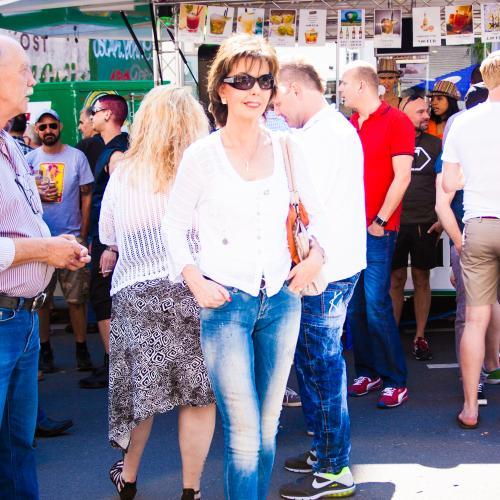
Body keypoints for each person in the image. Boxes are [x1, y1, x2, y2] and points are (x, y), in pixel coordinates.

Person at [163, 34, 326, 500]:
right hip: (226, 304)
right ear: (222, 89)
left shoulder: (289, 148)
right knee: (244, 431)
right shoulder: (202, 156)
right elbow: (173, 225)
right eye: (242, 81)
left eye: (264, 81)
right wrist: (194, 279)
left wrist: (316, 258)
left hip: (282, 301)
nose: (254, 90)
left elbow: (318, 219)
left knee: (268, 428)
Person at [99, 86, 216, 500]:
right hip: (195, 288)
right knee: (198, 397)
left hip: (136, 295)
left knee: (140, 396)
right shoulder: (206, 169)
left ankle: (128, 477)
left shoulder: (123, 173)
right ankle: (191, 490)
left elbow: (108, 234)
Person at [0, 34, 90, 499]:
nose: (32, 80)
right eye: (23, 70)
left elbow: (20, 223)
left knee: (19, 446)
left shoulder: (11, 146)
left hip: (22, 320)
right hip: (4, 319)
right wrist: (43, 249)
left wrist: (58, 245)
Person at [273, 61, 365, 499]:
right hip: (333, 265)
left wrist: (314, 258)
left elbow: (316, 209)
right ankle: (325, 452)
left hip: (323, 269)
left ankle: (333, 468)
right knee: (318, 365)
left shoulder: (321, 136)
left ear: (294, 89)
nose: (275, 110)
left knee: (321, 366)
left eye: (276, 100)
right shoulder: (332, 129)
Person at [340, 61, 414, 408]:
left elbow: (403, 176)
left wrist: (381, 220)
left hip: (377, 229)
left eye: (344, 83)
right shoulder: (350, 125)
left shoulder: (397, 121)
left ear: (362, 86)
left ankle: (395, 379)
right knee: (355, 306)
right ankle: (368, 372)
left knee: (376, 304)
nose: (341, 89)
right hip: (350, 229)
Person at [441, 51, 500, 428]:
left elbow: (449, 183)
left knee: (475, 320)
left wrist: (473, 177)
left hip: (478, 223)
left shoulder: (462, 123)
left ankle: (470, 407)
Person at [26, 109, 95, 373]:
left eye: (52, 125)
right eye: (43, 127)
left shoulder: (76, 157)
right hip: (41, 240)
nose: (48, 131)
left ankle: (81, 348)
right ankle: (45, 350)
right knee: (42, 301)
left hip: (71, 238)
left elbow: (87, 195)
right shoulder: (29, 160)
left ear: (60, 126)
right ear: (37, 129)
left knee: (76, 299)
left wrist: (83, 234)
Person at [79, 94, 128, 390]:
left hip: (110, 241)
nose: (89, 118)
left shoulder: (118, 153)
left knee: (103, 298)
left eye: (94, 112)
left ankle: (114, 365)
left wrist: (112, 247)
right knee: (103, 298)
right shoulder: (113, 149)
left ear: (107, 114)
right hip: (105, 238)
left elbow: (122, 202)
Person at [390, 92, 442, 361]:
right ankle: (391, 337)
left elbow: (446, 184)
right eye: (420, 112)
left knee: (422, 279)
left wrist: (442, 218)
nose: (427, 115)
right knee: (395, 280)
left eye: (427, 111)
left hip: (425, 223)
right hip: (394, 222)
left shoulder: (436, 144)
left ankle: (420, 336)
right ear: (404, 113)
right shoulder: (391, 140)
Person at [75, 106, 105, 174]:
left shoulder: (86, 145)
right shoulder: (111, 143)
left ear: (92, 121)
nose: (79, 128)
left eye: (81, 122)